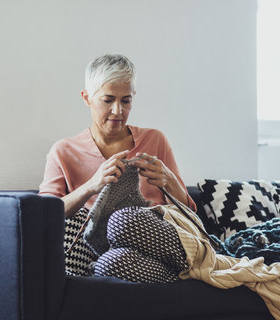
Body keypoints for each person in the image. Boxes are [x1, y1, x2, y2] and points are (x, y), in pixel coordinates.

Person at [39, 54, 195, 218]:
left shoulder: (155, 140)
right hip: (93, 240)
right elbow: (43, 215)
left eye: (126, 101)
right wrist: (92, 185)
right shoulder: (64, 151)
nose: (118, 111)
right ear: (87, 98)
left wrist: (170, 181)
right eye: (108, 100)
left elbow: (189, 215)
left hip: (155, 237)